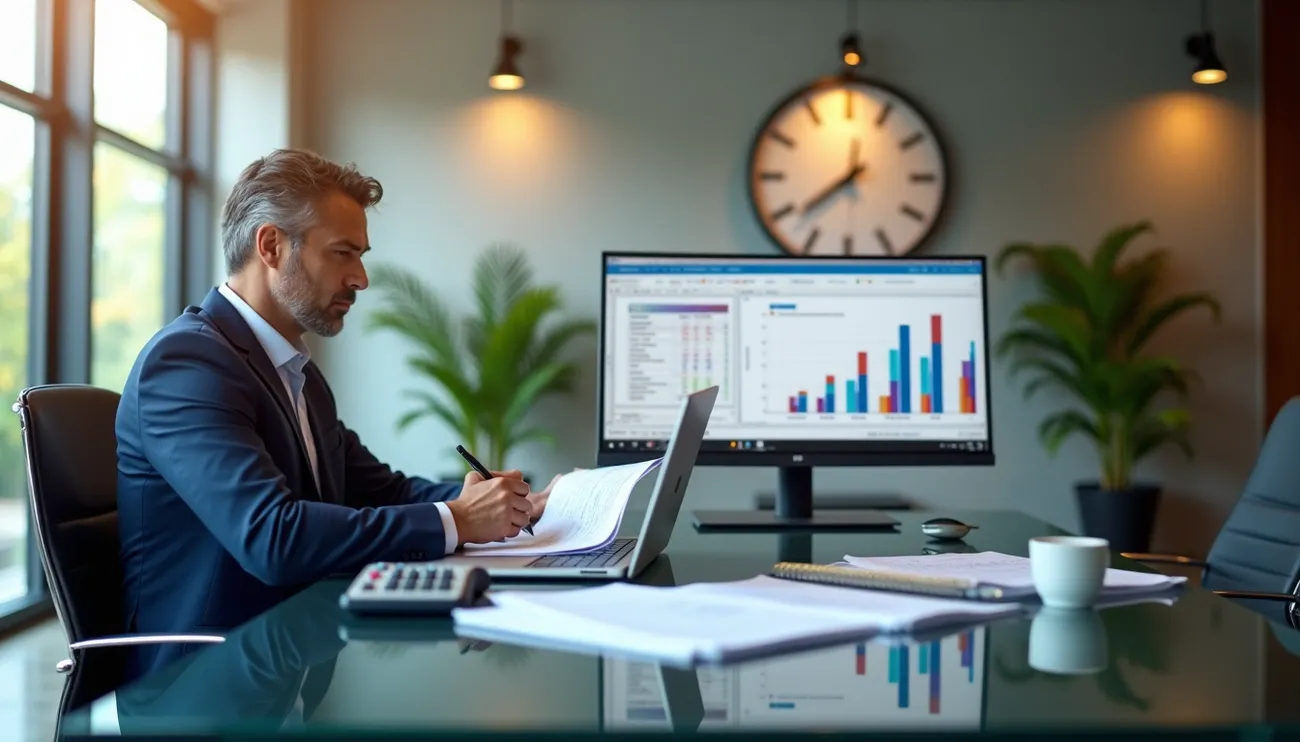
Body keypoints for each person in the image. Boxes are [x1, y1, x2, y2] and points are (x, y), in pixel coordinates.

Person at [115, 147, 560, 681]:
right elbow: (272, 538)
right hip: (207, 686)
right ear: (272, 245)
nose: (361, 279)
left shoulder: (296, 373)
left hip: (290, 661)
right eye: (343, 253)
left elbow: (383, 490)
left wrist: (503, 502)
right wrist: (460, 519)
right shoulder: (187, 363)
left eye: (362, 255)